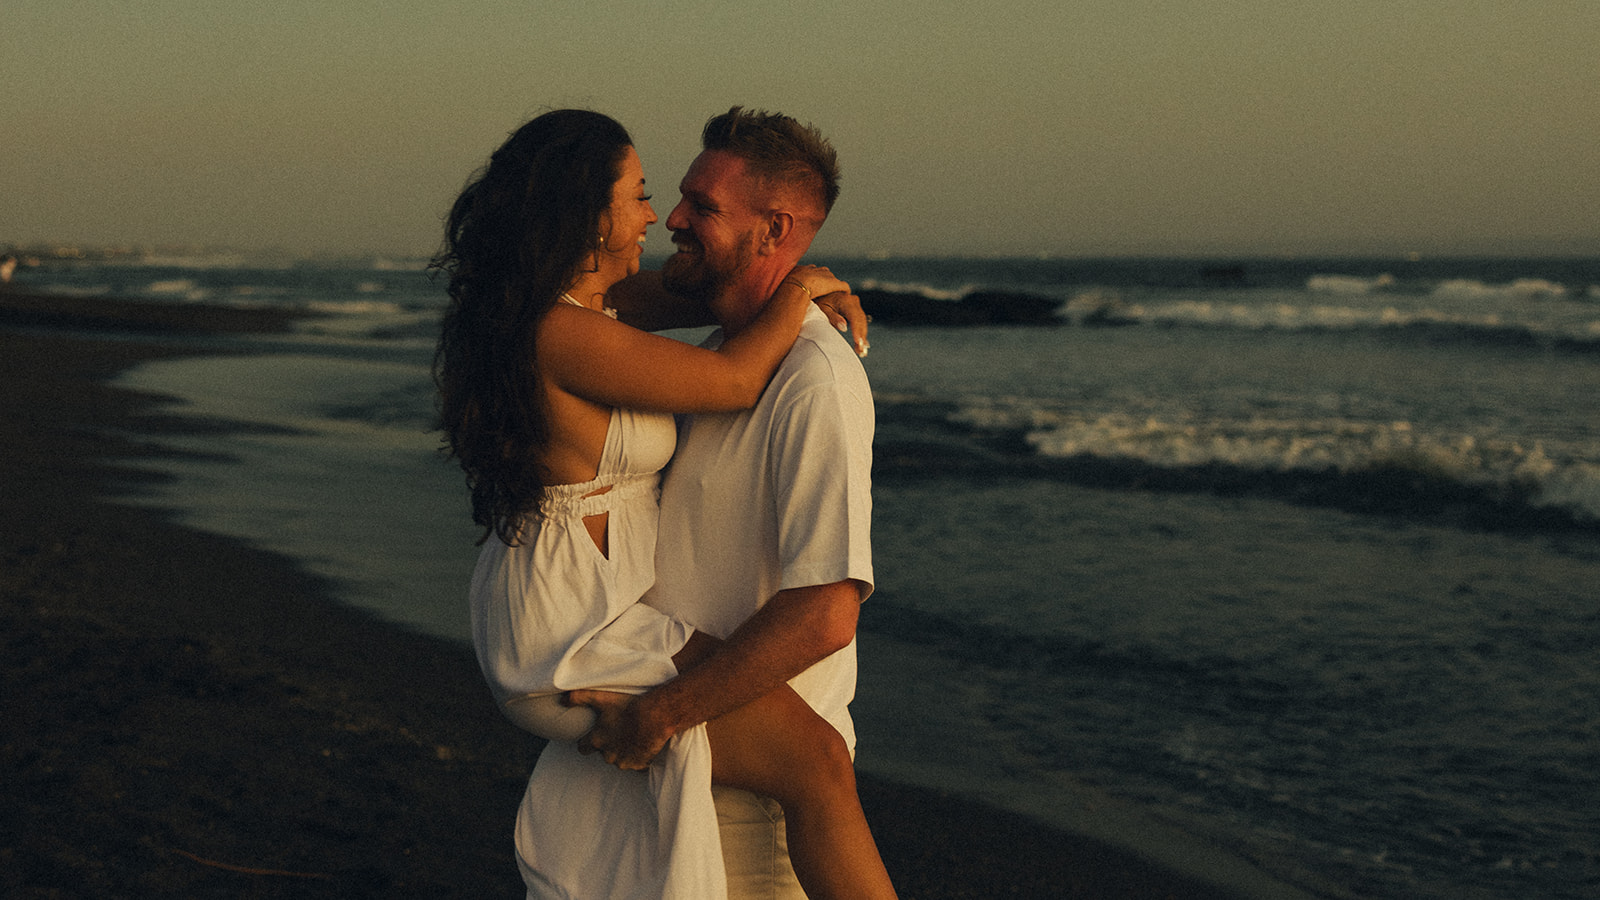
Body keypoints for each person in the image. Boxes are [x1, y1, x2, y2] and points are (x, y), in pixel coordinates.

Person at [432, 109, 894, 900]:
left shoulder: (590, 311)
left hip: (590, 606)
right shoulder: (559, 328)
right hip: (569, 621)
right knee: (815, 764)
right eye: (645, 195)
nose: (663, 217)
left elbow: (697, 299)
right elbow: (734, 374)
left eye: (690, 204)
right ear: (584, 214)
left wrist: (790, 287)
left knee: (812, 766)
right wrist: (803, 287)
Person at [569, 107, 889, 900]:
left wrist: (663, 713)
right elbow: (590, 303)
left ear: (774, 229)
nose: (672, 219)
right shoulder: (731, 353)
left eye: (702, 207)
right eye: (677, 196)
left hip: (757, 807)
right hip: (689, 777)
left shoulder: (815, 378)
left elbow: (826, 611)